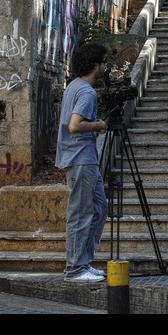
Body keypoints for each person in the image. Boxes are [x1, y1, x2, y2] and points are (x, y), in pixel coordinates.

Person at [55, 41, 110, 283]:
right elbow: (75, 125)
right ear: (95, 65)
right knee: (82, 213)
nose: (105, 67)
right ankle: (75, 269)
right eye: (104, 63)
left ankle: (83, 263)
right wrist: (99, 124)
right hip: (81, 159)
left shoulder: (74, 86)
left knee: (99, 208)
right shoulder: (86, 91)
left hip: (82, 159)